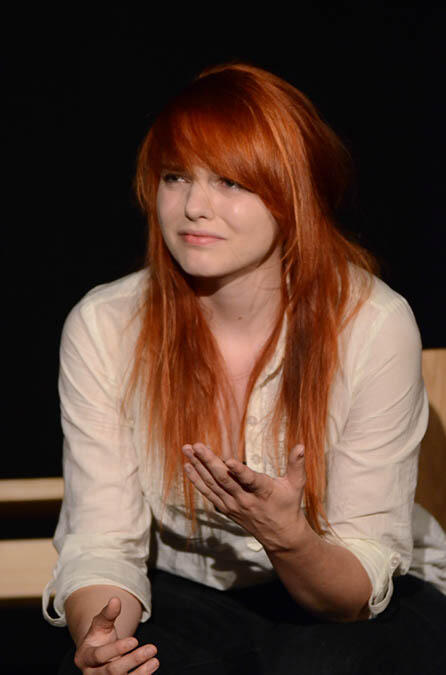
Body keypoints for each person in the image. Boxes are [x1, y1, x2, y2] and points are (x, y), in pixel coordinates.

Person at [44, 62, 446, 674]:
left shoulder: (372, 324)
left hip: (349, 592)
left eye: (231, 182)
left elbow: (356, 584)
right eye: (176, 177)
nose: (194, 206)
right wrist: (103, 640)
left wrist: (287, 535)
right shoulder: (106, 325)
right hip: (191, 592)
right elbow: (103, 541)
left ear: (295, 193)